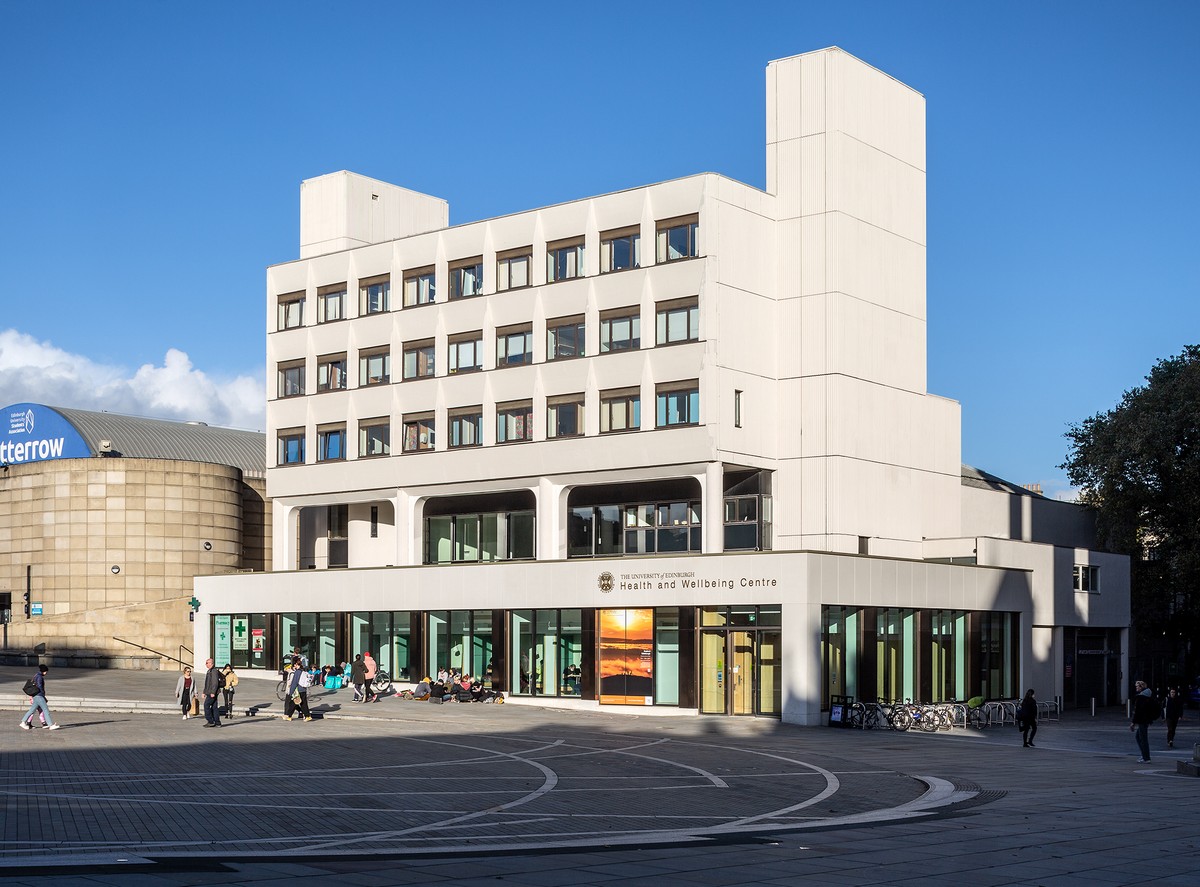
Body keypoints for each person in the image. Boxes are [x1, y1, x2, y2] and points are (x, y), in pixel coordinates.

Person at [20, 664, 60, 730]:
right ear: (44, 671)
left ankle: (23, 722)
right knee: (45, 710)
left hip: (35, 696)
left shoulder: (36, 676)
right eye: (46, 672)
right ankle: (50, 725)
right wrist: (43, 695)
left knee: (32, 710)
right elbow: (40, 686)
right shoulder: (40, 677)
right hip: (39, 696)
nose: (46, 673)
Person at [1130, 680, 1156, 762]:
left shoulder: (1140, 698)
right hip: (1146, 720)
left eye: (1137, 686)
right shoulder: (1149, 696)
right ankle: (1144, 755)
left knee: (1143, 739)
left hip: (1142, 721)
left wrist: (1133, 723)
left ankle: (1146, 758)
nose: (1136, 688)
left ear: (1141, 687)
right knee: (1139, 737)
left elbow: (1138, 712)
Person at [202, 658, 223, 728]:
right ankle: (217, 722)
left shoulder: (213, 671)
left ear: (212, 663)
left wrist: (213, 692)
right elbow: (207, 683)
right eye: (206, 663)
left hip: (212, 692)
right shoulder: (209, 671)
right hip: (210, 691)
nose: (206, 664)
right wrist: (204, 692)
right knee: (214, 707)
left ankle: (210, 721)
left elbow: (215, 683)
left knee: (206, 705)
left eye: (207, 663)